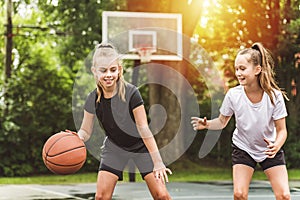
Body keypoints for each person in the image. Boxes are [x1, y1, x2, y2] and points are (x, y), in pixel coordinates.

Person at [191, 42, 290, 200]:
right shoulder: (233, 95)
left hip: (269, 149)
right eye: (236, 68)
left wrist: (276, 145)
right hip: (243, 147)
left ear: (257, 70)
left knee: (284, 195)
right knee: (239, 194)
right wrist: (207, 124)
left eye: (242, 68)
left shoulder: (274, 96)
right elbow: (222, 122)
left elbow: (282, 130)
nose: (238, 73)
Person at [76, 43, 172, 200]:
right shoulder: (92, 99)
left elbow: (144, 129)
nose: (108, 75)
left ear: (119, 69)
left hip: (140, 147)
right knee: (101, 197)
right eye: (103, 70)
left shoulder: (132, 93)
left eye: (113, 70)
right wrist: (76, 138)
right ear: (94, 71)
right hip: (115, 148)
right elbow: (85, 131)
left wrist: (158, 161)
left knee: (161, 195)